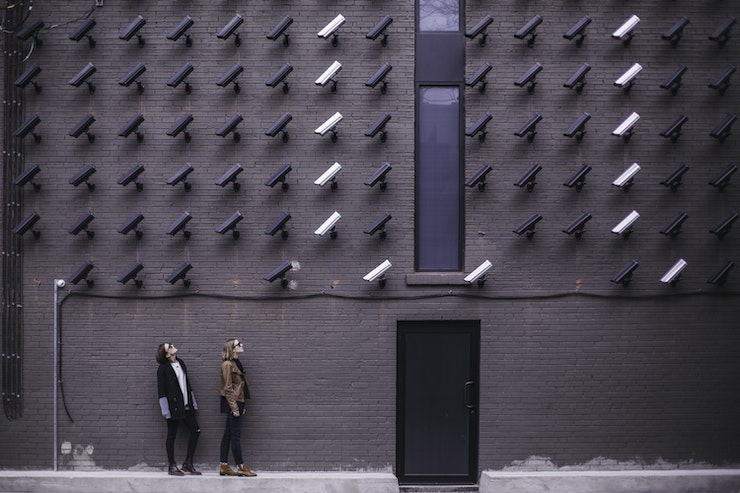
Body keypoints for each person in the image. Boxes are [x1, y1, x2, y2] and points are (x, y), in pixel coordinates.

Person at [156, 343, 201, 476]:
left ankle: (188, 463)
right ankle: (172, 466)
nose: (172, 346)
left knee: (196, 430)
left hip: (186, 406)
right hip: (173, 408)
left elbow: (187, 384)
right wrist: (166, 411)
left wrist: (193, 403)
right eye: (169, 347)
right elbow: (161, 391)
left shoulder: (181, 362)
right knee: (172, 435)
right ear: (167, 354)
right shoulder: (162, 369)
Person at [218, 338, 257, 477]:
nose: (242, 345)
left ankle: (224, 465)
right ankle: (241, 466)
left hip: (237, 402)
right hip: (233, 403)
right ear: (232, 349)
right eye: (238, 344)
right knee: (235, 436)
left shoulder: (235, 363)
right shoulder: (228, 365)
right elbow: (228, 388)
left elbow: (239, 387)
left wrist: (242, 404)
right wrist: (235, 407)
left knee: (228, 434)